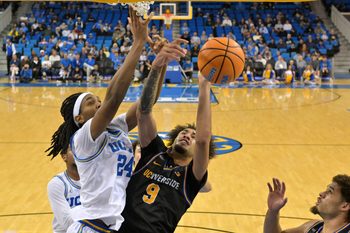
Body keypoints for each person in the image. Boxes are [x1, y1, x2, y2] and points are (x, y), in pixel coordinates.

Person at [46, 8, 154, 233]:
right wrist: (138, 44)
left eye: (97, 100)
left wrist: (160, 65)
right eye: (90, 103)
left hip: (111, 225)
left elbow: (146, 105)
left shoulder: (115, 127)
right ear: (79, 117)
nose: (97, 104)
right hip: (90, 226)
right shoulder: (83, 138)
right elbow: (113, 98)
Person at [118, 71, 215, 232]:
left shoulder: (191, 177)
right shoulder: (154, 153)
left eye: (193, 136)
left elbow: (204, 140)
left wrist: (204, 86)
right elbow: (143, 112)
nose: (187, 135)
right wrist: (158, 65)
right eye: (184, 132)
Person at [263, 176, 350, 233]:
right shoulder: (313, 227)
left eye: (330, 191)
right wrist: (273, 211)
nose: (321, 193)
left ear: (345, 206)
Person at [47, 148, 81, 233]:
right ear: (64, 156)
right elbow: (66, 222)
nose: (79, 152)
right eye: (73, 149)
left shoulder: (95, 179)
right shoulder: (57, 184)